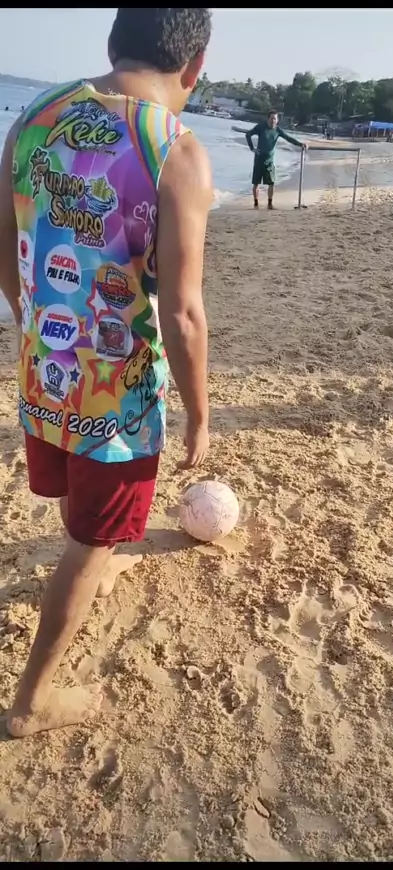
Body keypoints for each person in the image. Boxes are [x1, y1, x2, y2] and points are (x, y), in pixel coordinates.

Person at [0, 7, 212, 737]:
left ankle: (100, 551)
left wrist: (28, 318)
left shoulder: (36, 114)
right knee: (89, 541)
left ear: (112, 43)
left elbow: (4, 235)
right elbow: (183, 313)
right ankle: (33, 702)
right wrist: (200, 415)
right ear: (195, 65)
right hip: (115, 399)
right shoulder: (174, 149)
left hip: (43, 369)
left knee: (86, 513)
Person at [246, 110, 307, 209]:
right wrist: (252, 148)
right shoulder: (260, 127)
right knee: (256, 183)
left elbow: (288, 138)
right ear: (268, 119)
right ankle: (256, 204)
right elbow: (248, 134)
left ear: (277, 120)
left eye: (275, 119)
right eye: (271, 118)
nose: (273, 121)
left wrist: (300, 144)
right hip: (259, 159)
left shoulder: (278, 130)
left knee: (271, 183)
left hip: (269, 160)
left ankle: (270, 204)